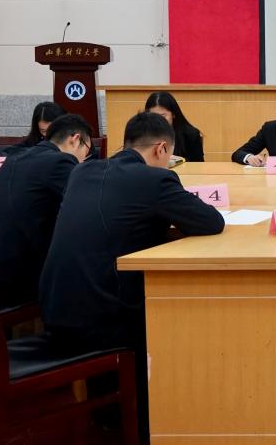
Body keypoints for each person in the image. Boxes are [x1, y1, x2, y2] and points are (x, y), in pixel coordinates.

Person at [40, 112, 224, 438]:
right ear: (161, 149)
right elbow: (211, 222)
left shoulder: (82, 171)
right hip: (102, 322)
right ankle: (157, 418)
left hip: (54, 307)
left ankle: (108, 413)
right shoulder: (155, 180)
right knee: (175, 315)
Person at [0, 114, 93, 308]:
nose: (84, 160)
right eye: (87, 151)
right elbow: (87, 206)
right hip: (21, 282)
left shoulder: (15, 159)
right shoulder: (60, 162)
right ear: (75, 139)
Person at [145, 91, 204, 162]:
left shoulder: (191, 135)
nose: (158, 120)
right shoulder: (141, 134)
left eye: (162, 116)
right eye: (153, 116)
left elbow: (199, 165)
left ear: (173, 114)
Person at [0, 101, 67, 156]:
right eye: (43, 131)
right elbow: (8, 151)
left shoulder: (69, 142)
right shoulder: (36, 140)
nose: (47, 135)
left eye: (51, 130)